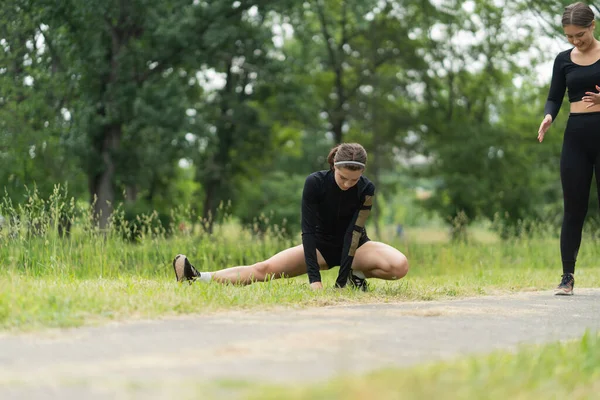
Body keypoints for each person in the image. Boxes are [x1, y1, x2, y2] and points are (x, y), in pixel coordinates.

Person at [172, 142, 409, 291]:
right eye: (342, 177)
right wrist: (314, 279)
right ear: (333, 166)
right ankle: (197, 277)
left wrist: (341, 279)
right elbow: (307, 230)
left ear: (362, 174)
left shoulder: (366, 189)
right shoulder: (315, 183)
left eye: (353, 180)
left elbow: (353, 232)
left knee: (399, 265)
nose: (347, 184)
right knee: (264, 269)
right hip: (320, 246)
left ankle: (354, 276)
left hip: (358, 247)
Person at [538, 2, 600, 295]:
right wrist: (549, 115)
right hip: (575, 136)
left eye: (580, 35)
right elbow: (554, 97)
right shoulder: (563, 59)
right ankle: (567, 276)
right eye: (570, 36)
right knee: (574, 209)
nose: (576, 41)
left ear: (593, 26)